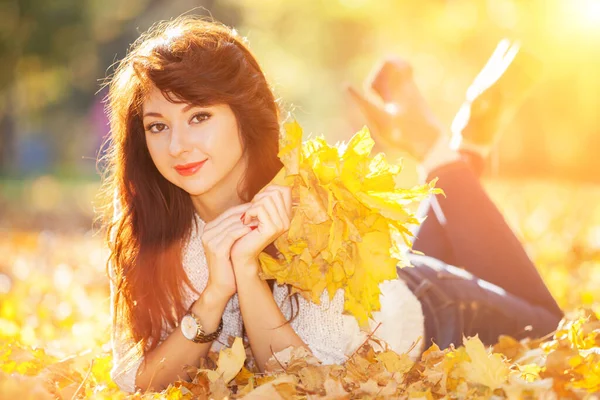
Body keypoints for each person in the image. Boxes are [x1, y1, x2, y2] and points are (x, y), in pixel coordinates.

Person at [101, 16, 561, 394]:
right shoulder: (150, 233)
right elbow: (138, 382)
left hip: (432, 308)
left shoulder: (312, 210)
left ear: (245, 114)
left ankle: (445, 148)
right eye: (157, 126)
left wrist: (247, 272)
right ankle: (462, 146)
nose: (178, 145)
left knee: (559, 331)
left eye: (199, 116)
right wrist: (215, 294)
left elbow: (304, 384)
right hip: (385, 283)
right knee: (452, 244)